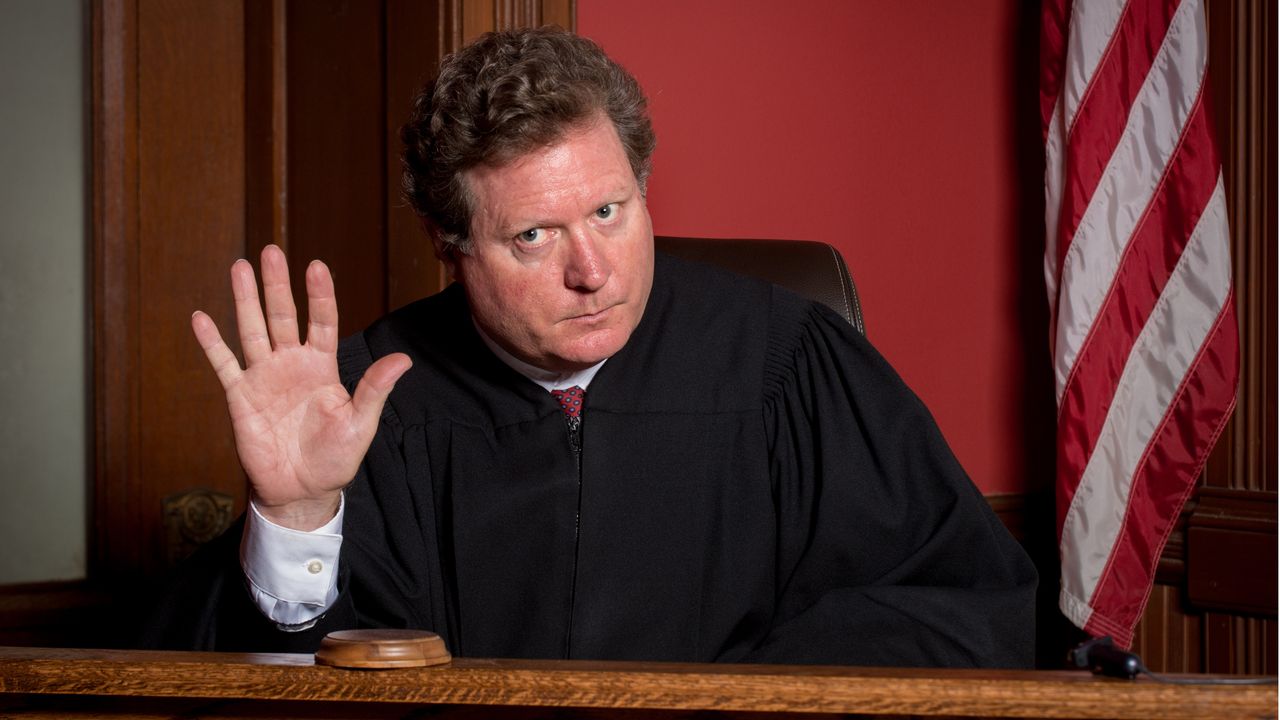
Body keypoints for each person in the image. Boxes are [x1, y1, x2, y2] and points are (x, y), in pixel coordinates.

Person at [152, 27, 1037, 667]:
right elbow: (255, 679)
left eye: (610, 212)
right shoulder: (371, 404)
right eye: (532, 236)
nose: (592, 271)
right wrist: (298, 520)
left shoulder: (786, 362)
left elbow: (971, 609)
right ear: (447, 246)